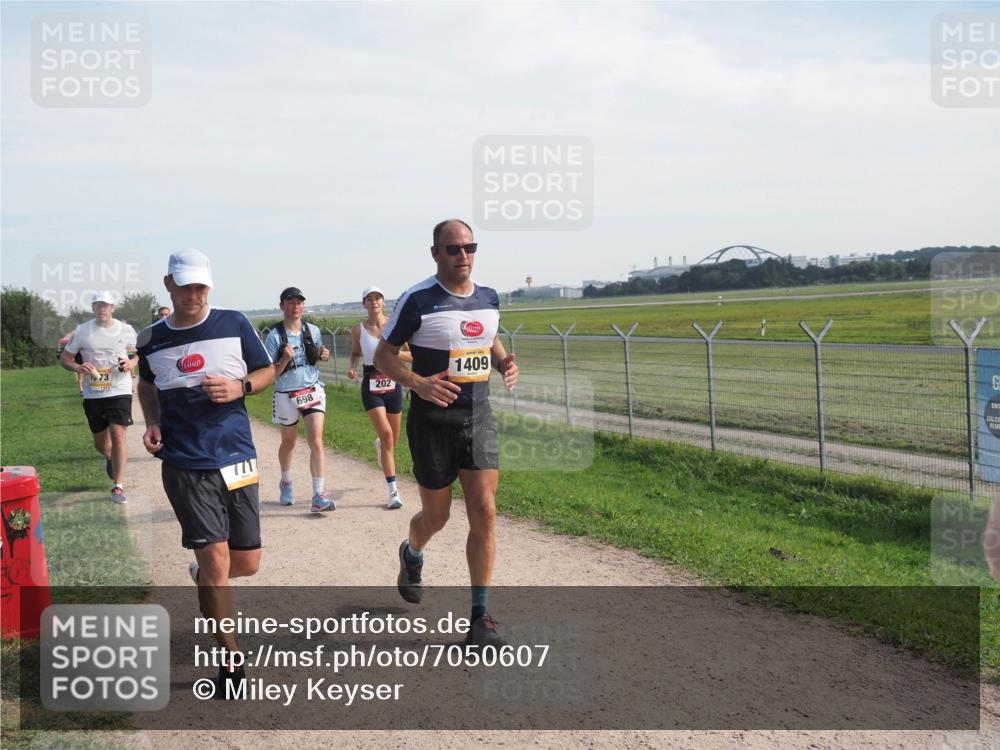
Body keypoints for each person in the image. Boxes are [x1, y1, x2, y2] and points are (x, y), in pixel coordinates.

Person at [135, 248, 275, 696]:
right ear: (169, 284)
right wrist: (152, 420)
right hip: (185, 462)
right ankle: (230, 661)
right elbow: (146, 384)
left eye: (201, 286)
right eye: (185, 285)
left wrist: (241, 386)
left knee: (246, 564)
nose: (193, 294)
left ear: (208, 286)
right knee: (216, 561)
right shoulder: (151, 338)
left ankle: (205, 578)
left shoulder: (233, 323)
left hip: (236, 457)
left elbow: (266, 370)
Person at [374, 218, 519, 647]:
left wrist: (503, 361)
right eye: (453, 249)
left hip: (478, 417)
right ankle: (412, 551)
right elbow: (384, 356)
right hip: (432, 422)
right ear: (435, 252)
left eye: (469, 247)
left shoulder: (489, 298)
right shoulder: (417, 299)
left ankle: (479, 618)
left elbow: (487, 340)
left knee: (485, 511)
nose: (463, 256)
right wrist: (418, 383)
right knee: (436, 517)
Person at [60, 292, 139, 503]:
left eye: (106, 305)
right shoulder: (82, 331)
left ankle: (118, 486)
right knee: (101, 444)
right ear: (93, 308)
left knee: (118, 434)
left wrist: (131, 363)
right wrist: (78, 366)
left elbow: (137, 353)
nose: (102, 309)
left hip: (119, 389)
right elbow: (65, 358)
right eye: (98, 305)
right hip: (93, 392)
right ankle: (109, 457)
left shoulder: (126, 330)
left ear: (113, 307)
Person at [263, 287, 333, 512]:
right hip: (286, 393)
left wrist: (324, 354)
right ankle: (285, 481)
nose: (296, 306)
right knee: (289, 442)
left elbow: (318, 353)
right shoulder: (274, 337)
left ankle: (318, 495)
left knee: (316, 441)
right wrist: (284, 358)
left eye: (299, 302)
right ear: (282, 305)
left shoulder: (312, 330)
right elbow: (270, 373)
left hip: (312, 388)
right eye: (291, 302)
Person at [348, 286, 412, 510]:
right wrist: (352, 367)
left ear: (383, 302)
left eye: (377, 298)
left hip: (393, 383)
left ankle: (381, 447)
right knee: (386, 436)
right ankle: (393, 491)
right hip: (371, 383)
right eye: (369, 299)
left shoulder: (395, 325)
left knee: (393, 440)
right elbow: (356, 352)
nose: (374, 302)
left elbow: (411, 355)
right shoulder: (358, 329)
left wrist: (392, 354)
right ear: (364, 304)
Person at [57, 331, 85, 396]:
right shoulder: (83, 349)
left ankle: (81, 390)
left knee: (81, 378)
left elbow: (72, 357)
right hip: (82, 363)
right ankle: (82, 390)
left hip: (79, 363)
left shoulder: (75, 348)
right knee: (83, 378)